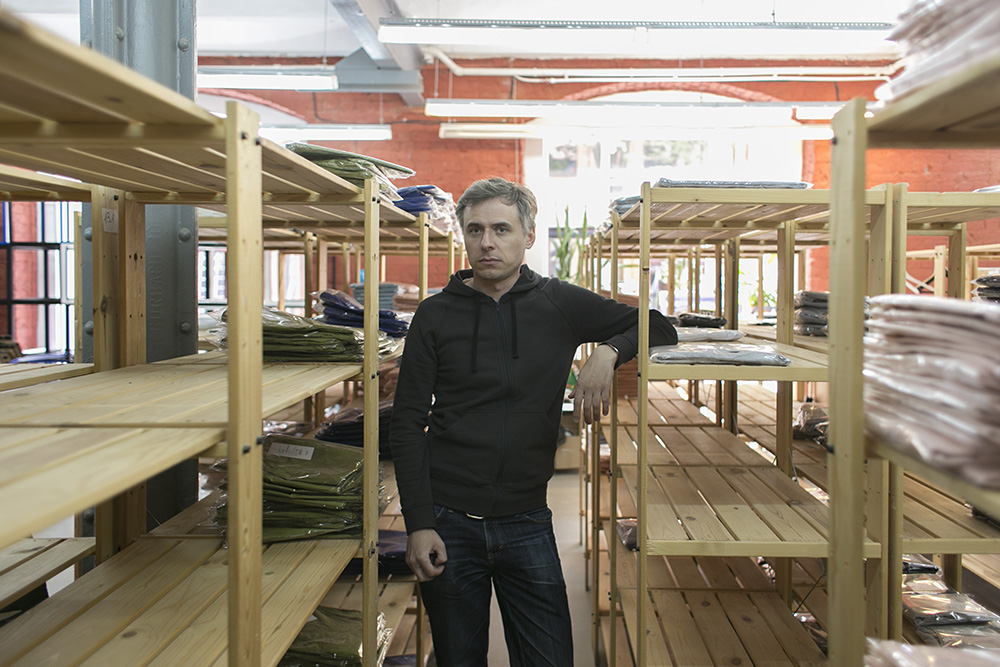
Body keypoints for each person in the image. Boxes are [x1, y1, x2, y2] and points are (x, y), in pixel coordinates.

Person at [389, 177, 676, 666]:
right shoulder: (434, 315)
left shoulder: (559, 302)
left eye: (501, 229)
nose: (487, 242)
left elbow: (658, 325)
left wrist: (608, 352)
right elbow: (407, 423)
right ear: (464, 237)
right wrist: (419, 523)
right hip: (448, 520)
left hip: (527, 521)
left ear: (529, 236)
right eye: (475, 230)